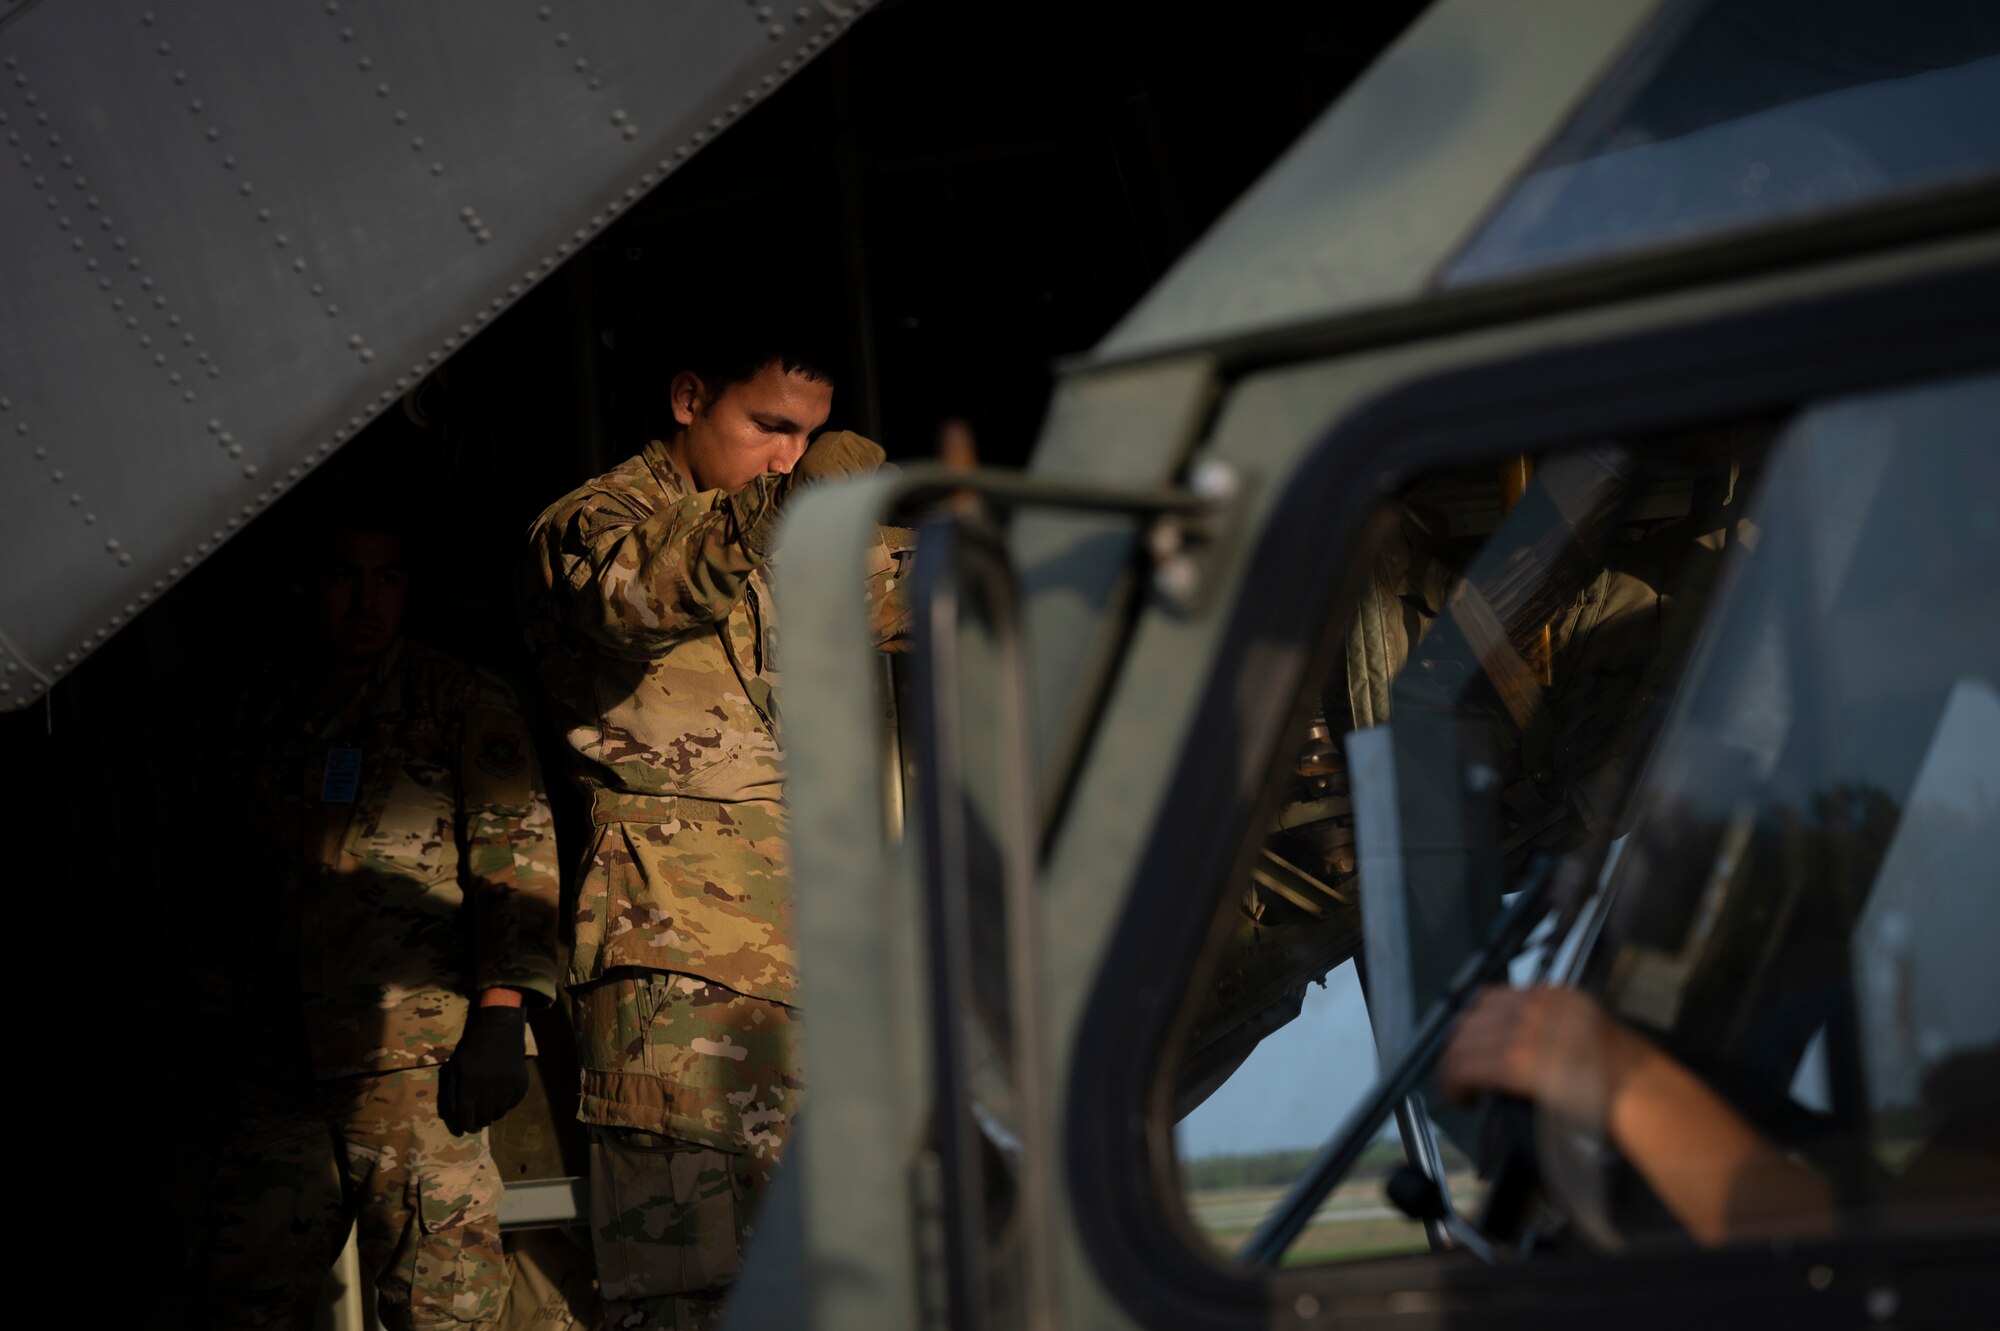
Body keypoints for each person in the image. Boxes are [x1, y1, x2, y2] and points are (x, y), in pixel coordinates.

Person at [520, 319, 908, 1328]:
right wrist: (788, 502)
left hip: (809, 972)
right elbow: (639, 590)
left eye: (805, 438)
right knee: (683, 1292)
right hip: (673, 976)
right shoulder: (595, 522)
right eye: (769, 426)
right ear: (689, 398)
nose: (785, 455)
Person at [195, 518, 562, 1330]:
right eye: (345, 578)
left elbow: (515, 861)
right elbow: (223, 879)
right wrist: (216, 1025)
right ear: (305, 582)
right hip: (278, 1065)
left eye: (387, 579)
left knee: (444, 1305)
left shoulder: (458, 699)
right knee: (245, 1288)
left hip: (417, 1065)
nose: (367, 601)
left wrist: (503, 1014)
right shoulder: (258, 709)